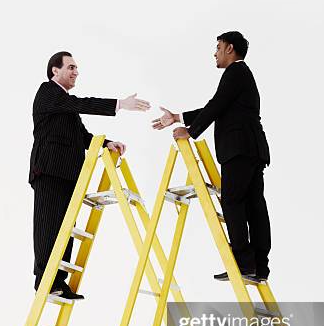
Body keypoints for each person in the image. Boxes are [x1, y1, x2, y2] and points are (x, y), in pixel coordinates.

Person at [30, 51, 150, 299]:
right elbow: (81, 103)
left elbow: (82, 136)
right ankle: (44, 281)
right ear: (55, 70)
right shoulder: (48, 92)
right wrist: (120, 104)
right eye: (71, 67)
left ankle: (58, 282)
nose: (76, 72)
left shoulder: (65, 105)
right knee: (48, 226)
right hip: (50, 171)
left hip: (69, 173)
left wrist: (106, 143)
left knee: (66, 228)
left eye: (77, 68)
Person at [152, 31, 271, 282]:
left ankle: (243, 262)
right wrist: (177, 117)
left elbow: (216, 105)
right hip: (252, 149)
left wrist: (190, 132)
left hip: (238, 149)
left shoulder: (236, 72)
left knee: (233, 202)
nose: (214, 53)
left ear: (229, 48)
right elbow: (218, 106)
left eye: (218, 47)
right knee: (254, 207)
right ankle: (259, 267)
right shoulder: (242, 75)